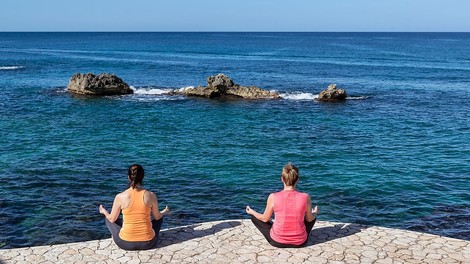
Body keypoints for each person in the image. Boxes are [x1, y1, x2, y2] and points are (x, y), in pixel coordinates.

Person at [246, 162, 318, 248]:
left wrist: (252, 212)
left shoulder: (273, 196)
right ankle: (299, 234)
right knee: (312, 217)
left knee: (255, 217)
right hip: (300, 242)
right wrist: (315, 213)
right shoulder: (305, 197)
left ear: (282, 179)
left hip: (277, 241)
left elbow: (265, 219)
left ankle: (278, 230)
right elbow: (309, 219)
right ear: (297, 180)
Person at [99, 164, 170, 250]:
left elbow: (112, 219)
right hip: (148, 243)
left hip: (125, 243)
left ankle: (116, 237)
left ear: (129, 177)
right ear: (142, 177)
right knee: (159, 218)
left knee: (108, 218)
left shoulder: (120, 196)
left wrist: (103, 211)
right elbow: (157, 216)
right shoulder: (151, 195)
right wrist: (164, 212)